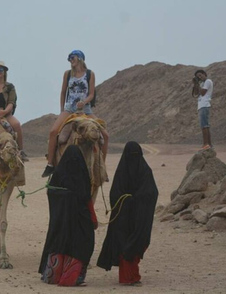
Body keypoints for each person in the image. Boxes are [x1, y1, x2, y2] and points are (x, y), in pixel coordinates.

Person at [97, 141, 158, 287]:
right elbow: (115, 194)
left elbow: (151, 192)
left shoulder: (145, 172)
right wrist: (127, 201)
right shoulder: (122, 173)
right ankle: (128, 277)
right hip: (123, 216)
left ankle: (132, 276)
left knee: (137, 242)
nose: (133, 159)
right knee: (124, 243)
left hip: (139, 216)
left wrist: (136, 199)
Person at [42, 50, 109, 178]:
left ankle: (101, 167)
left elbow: (91, 94)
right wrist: (62, 109)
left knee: (105, 135)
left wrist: (84, 102)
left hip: (86, 110)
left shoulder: (89, 74)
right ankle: (50, 164)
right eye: (69, 58)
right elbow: (63, 92)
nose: (70, 60)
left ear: (79, 58)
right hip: (69, 109)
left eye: (72, 57)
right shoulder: (67, 74)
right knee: (53, 132)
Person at [38, 145, 98, 286]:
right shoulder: (82, 178)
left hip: (59, 223)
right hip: (78, 221)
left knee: (57, 240)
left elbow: (51, 194)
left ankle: (52, 275)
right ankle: (73, 277)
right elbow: (86, 198)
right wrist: (92, 219)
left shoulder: (57, 177)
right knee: (84, 241)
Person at [192, 69, 213, 150]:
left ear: (205, 74)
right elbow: (196, 93)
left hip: (204, 105)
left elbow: (203, 92)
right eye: (198, 77)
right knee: (205, 126)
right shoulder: (202, 83)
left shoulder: (208, 81)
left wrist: (198, 84)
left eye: (200, 75)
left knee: (204, 126)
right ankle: (209, 145)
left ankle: (205, 144)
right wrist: (195, 84)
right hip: (201, 106)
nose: (200, 77)